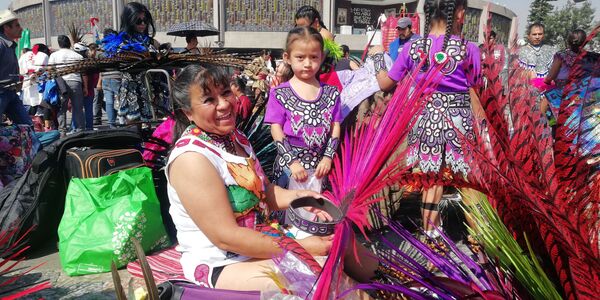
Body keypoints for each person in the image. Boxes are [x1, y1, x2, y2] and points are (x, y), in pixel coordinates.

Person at [167, 64, 377, 294]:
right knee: (319, 271)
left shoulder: (235, 137)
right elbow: (226, 238)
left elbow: (264, 190)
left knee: (340, 236)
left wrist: (303, 196)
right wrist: (300, 248)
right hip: (222, 262)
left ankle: (388, 285)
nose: (224, 104)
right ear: (187, 112)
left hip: (259, 239)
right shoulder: (192, 159)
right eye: (209, 100)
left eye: (226, 93)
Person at [374, 0, 481, 238]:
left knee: (430, 179)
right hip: (458, 123)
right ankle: (482, 239)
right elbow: (478, 90)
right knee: (469, 181)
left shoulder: (412, 49)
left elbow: (385, 84)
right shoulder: (467, 48)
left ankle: (431, 233)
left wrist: (378, 58)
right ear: (460, 12)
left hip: (425, 122)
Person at [265, 26, 342, 192]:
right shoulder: (279, 93)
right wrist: (292, 162)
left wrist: (328, 157)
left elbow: (335, 126)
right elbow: (276, 128)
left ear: (322, 57)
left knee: (317, 214)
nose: (307, 64)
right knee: (288, 214)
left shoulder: (332, 93)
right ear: (287, 57)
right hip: (289, 168)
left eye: (314, 57)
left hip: (320, 167)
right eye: (300, 57)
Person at [112, 1, 158, 124]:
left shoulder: (150, 42)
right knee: (132, 127)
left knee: (147, 128)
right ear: (129, 21)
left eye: (145, 20)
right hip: (130, 91)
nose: (143, 24)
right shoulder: (122, 43)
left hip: (147, 89)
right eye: (138, 21)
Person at [48, 35, 86, 134]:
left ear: (59, 44)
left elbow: (50, 70)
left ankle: (62, 131)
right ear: (69, 43)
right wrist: (85, 87)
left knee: (62, 108)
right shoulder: (78, 56)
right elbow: (83, 73)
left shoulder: (54, 55)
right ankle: (80, 131)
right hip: (75, 82)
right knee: (78, 108)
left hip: (61, 85)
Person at [0, 10, 31, 125]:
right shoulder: (1, 44)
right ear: (6, 28)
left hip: (10, 93)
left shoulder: (9, 45)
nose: (21, 29)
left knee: (27, 127)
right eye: (17, 26)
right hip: (1, 93)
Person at [97, 28, 121, 128]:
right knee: (121, 100)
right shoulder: (118, 49)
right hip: (117, 77)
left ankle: (112, 124)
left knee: (109, 102)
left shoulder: (101, 52)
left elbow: (100, 69)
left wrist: (99, 82)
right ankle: (123, 120)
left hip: (105, 78)